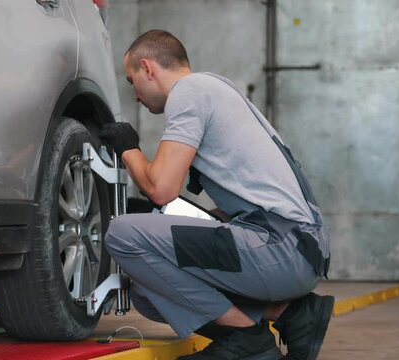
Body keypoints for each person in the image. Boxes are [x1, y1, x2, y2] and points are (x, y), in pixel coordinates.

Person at [100, 30, 333, 360]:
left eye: (131, 80)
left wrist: (128, 149)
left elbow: (162, 189)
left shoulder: (189, 92)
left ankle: (247, 342)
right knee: (148, 292)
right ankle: (288, 313)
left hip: (282, 247)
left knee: (122, 235)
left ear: (147, 67)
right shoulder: (217, 88)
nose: (134, 94)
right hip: (297, 247)